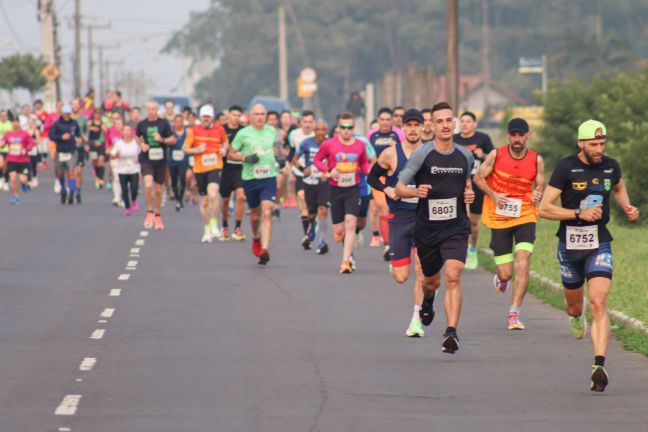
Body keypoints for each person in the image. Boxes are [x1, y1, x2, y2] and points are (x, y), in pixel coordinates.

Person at [539, 119, 639, 392]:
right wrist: (577, 213)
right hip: (570, 246)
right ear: (580, 143)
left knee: (598, 300)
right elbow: (544, 209)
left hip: (599, 242)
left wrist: (627, 206)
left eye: (602, 143)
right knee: (575, 305)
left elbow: (617, 186)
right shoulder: (565, 167)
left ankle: (599, 364)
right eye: (593, 144)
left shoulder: (610, 166)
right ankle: (574, 316)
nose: (598, 149)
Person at [395, 102, 475, 354]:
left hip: (456, 227)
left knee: (453, 274)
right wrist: (414, 191)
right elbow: (399, 187)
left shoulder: (465, 155)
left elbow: (467, 183)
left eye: (449, 120)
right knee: (431, 281)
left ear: (455, 123)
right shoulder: (422, 154)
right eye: (439, 121)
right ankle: (428, 300)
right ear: (432, 125)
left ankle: (451, 332)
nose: (445, 125)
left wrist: (469, 193)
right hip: (427, 228)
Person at [474, 118, 545, 330]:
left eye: (520, 135)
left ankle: (514, 313)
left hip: (525, 215)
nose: (517, 139)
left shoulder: (536, 160)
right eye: (513, 135)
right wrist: (494, 195)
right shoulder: (496, 155)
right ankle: (502, 278)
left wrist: (537, 194)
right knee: (506, 272)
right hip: (500, 217)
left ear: (527, 136)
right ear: (508, 136)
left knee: (523, 261)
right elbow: (479, 178)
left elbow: (541, 185)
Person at [368, 109, 426, 337]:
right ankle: (396, 262)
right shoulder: (390, 154)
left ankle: (416, 319)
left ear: (423, 127)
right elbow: (371, 177)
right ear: (402, 128)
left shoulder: (430, 153)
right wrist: (387, 188)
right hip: (400, 218)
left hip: (424, 217)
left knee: (421, 269)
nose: (413, 129)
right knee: (401, 277)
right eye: (408, 125)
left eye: (416, 125)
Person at [313, 112, 370, 274]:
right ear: (338, 128)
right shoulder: (329, 144)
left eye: (349, 127)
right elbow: (317, 160)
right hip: (335, 189)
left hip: (353, 188)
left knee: (351, 222)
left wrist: (371, 173)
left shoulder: (360, 145)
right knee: (339, 232)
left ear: (353, 128)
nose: (346, 130)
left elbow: (364, 163)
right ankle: (348, 251)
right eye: (343, 127)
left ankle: (345, 261)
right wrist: (329, 170)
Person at [227, 104, 281, 264]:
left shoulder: (271, 131)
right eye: (256, 114)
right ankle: (256, 237)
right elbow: (230, 154)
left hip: (269, 178)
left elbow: (275, 148)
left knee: (266, 213)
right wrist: (245, 158)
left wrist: (279, 160)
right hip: (250, 179)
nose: (259, 117)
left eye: (262, 114)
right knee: (255, 215)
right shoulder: (243, 134)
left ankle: (264, 249)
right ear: (250, 116)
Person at [454, 111, 495, 270]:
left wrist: (483, 154)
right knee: (457, 219)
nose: (464, 124)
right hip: (457, 182)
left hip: (476, 183)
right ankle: (458, 249)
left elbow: (494, 158)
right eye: (462, 121)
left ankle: (472, 249)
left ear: (474, 124)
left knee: (473, 221)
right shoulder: (454, 139)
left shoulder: (483, 138)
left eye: (468, 121)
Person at [183, 105, 228, 243]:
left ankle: (214, 224)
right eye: (204, 117)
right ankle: (207, 228)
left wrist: (224, 149)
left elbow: (225, 141)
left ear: (212, 117)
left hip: (215, 166)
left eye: (208, 117)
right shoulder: (194, 131)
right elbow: (184, 148)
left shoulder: (219, 129)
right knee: (204, 201)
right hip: (200, 169)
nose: (206, 119)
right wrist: (197, 150)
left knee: (213, 195)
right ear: (200, 118)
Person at [367, 107, 402, 259]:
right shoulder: (371, 135)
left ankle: (397, 240)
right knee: (383, 209)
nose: (385, 122)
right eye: (382, 119)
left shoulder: (398, 134)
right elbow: (367, 154)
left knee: (396, 211)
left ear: (392, 121)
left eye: (388, 119)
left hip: (396, 176)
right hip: (379, 177)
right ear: (378, 120)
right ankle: (388, 245)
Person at [136, 101, 176, 230]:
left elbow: (173, 139)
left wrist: (161, 140)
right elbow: (136, 136)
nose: (152, 111)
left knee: (158, 190)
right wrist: (141, 145)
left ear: (158, 110)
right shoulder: (142, 124)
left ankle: (157, 215)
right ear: (146, 110)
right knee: (148, 185)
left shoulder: (164, 123)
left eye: (154, 109)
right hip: (146, 158)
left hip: (160, 159)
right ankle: (149, 212)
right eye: (149, 109)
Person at [292, 119, 330, 253]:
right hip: (309, 182)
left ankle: (322, 241)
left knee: (323, 210)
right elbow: (294, 159)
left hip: (324, 182)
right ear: (314, 131)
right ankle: (311, 229)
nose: (320, 132)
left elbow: (335, 160)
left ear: (326, 131)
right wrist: (303, 170)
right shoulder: (306, 143)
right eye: (318, 130)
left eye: (323, 130)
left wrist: (329, 172)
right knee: (312, 213)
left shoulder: (330, 143)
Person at [288, 111, 316, 248]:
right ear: (301, 123)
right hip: (300, 172)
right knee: (301, 197)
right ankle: (307, 235)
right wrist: (291, 165)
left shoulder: (319, 135)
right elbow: (292, 152)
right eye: (305, 122)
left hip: (316, 173)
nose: (308, 125)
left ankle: (312, 225)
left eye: (310, 122)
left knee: (313, 206)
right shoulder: (294, 135)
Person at [220, 105, 246, 241]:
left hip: (240, 168)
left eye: (238, 115)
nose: (235, 117)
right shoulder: (222, 129)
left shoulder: (244, 130)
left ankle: (237, 227)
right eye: (233, 115)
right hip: (225, 167)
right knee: (225, 200)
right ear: (229, 115)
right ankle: (224, 225)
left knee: (241, 197)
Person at [49, 105, 82, 205]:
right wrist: (61, 137)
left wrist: (79, 138)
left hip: (71, 151)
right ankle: (63, 189)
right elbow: (51, 136)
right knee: (59, 172)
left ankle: (71, 191)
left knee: (71, 171)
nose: (67, 115)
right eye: (66, 113)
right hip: (60, 151)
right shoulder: (57, 124)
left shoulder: (74, 123)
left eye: (69, 113)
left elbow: (78, 134)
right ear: (62, 113)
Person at [2, 113, 35, 204]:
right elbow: (3, 141)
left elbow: (31, 143)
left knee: (22, 179)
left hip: (23, 160)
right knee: (12, 179)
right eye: (14, 122)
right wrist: (2, 144)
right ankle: (15, 196)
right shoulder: (8, 134)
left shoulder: (24, 134)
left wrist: (26, 149)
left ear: (20, 123)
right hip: (12, 160)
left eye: (17, 121)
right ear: (11, 123)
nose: (15, 123)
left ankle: (24, 184)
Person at [110, 125, 141, 215]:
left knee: (134, 189)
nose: (127, 132)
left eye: (129, 130)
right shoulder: (119, 143)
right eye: (125, 131)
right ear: (122, 132)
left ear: (131, 132)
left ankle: (134, 200)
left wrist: (139, 159)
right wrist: (116, 156)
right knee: (124, 190)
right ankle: (127, 208)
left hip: (134, 169)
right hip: (122, 170)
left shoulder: (135, 143)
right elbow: (112, 155)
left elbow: (141, 153)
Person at [169, 114, 189, 212]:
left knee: (182, 178)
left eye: (180, 121)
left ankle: (180, 199)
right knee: (174, 182)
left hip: (183, 159)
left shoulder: (187, 132)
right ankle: (177, 198)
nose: (178, 123)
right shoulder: (170, 132)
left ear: (183, 122)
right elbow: (165, 142)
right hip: (172, 160)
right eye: (176, 121)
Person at [71, 98, 88, 204]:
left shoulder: (83, 119)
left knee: (79, 172)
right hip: (70, 148)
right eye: (74, 105)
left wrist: (85, 141)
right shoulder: (67, 119)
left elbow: (86, 133)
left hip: (80, 147)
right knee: (71, 172)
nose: (76, 107)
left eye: (77, 105)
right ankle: (72, 191)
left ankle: (78, 191)